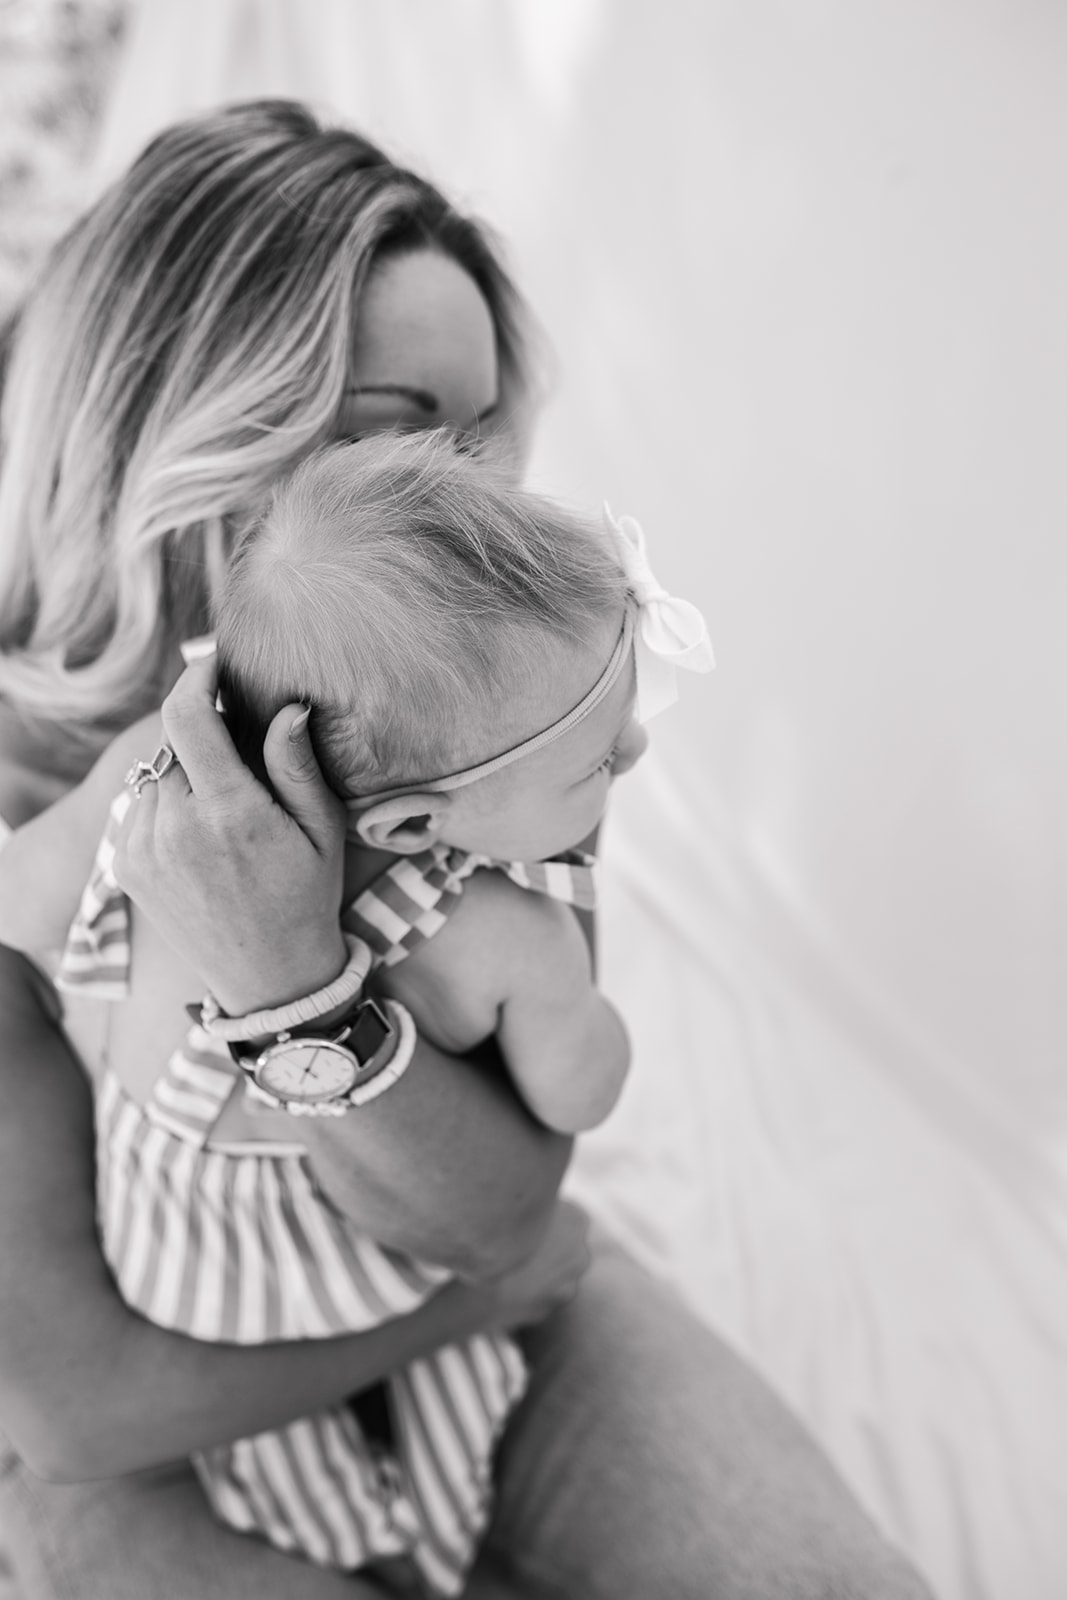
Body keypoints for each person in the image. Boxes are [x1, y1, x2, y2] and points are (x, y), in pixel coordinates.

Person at [0, 100, 934, 1599]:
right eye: (392, 434)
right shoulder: (38, 836)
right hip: (167, 1444)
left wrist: (293, 987)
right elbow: (78, 1410)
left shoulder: (495, 715)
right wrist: (462, 1306)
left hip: (477, 1293)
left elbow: (498, 1208)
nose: (475, 501)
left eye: (483, 432)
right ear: (184, 437)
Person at [0, 432, 680, 1591]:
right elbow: (582, 1091)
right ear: (414, 827)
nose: (635, 745)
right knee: (438, 1462)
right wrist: (579, 1006)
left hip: (174, 1277)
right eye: (596, 765)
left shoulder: (137, 787)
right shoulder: (499, 932)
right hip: (368, 1284)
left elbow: (20, 899)